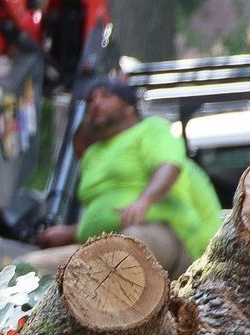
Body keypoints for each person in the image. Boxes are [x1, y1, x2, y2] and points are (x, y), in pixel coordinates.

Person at [24, 77, 222, 278]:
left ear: (129, 108)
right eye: (91, 100)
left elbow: (169, 166)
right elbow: (105, 210)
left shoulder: (150, 129)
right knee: (24, 268)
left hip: (163, 236)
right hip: (101, 245)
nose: (96, 103)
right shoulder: (94, 153)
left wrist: (145, 201)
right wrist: (70, 232)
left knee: (123, 251)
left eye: (106, 96)